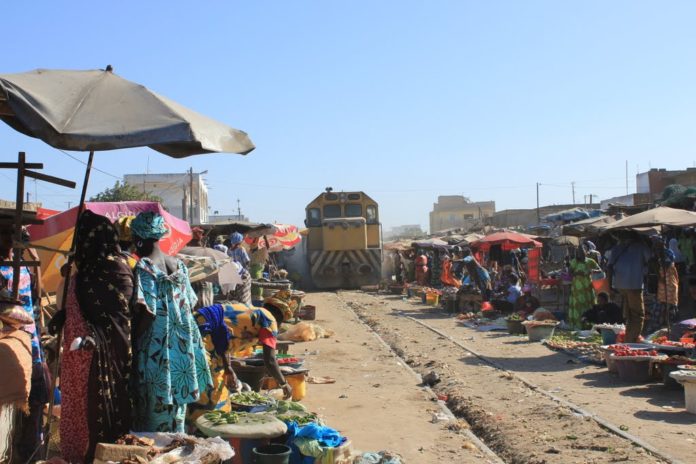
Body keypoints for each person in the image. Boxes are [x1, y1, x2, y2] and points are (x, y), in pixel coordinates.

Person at [54, 211, 135, 462]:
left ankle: (97, 456)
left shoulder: (97, 273)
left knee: (94, 411)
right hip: (102, 355)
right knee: (99, 406)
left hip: (96, 354)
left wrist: (72, 277)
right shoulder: (112, 269)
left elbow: (65, 309)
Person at [130, 212, 212, 433]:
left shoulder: (145, 266)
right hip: (183, 346)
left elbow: (148, 311)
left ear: (139, 239)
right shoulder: (180, 265)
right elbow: (190, 303)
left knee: (156, 410)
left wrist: (134, 342)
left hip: (158, 347)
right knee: (178, 408)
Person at [188, 292, 297, 421]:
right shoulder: (269, 319)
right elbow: (270, 360)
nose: (278, 325)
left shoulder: (252, 311)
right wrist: (284, 384)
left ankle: (201, 420)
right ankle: (200, 425)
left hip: (199, 329)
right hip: (200, 336)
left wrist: (228, 368)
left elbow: (222, 339)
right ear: (279, 315)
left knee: (216, 382)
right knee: (209, 387)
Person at [0, 224, 49, 463]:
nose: (10, 239)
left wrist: (34, 260)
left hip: (30, 344)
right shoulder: (5, 269)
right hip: (13, 344)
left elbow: (38, 295)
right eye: (6, 233)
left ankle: (30, 453)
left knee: (35, 402)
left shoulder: (23, 268)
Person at [608, 231, 652, 343]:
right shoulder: (641, 247)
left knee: (629, 313)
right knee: (638, 314)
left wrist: (609, 287)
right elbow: (651, 260)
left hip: (620, 285)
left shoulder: (616, 248)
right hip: (634, 285)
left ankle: (628, 337)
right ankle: (632, 340)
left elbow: (609, 267)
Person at [568, 245, 600, 329]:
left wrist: (592, 270)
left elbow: (600, 270)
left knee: (588, 305)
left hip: (588, 288)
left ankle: (589, 324)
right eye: (578, 252)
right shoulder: (574, 262)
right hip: (577, 289)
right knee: (578, 306)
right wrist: (577, 273)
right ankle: (578, 325)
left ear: (586, 252)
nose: (580, 254)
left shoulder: (590, 261)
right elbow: (570, 272)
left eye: (582, 252)